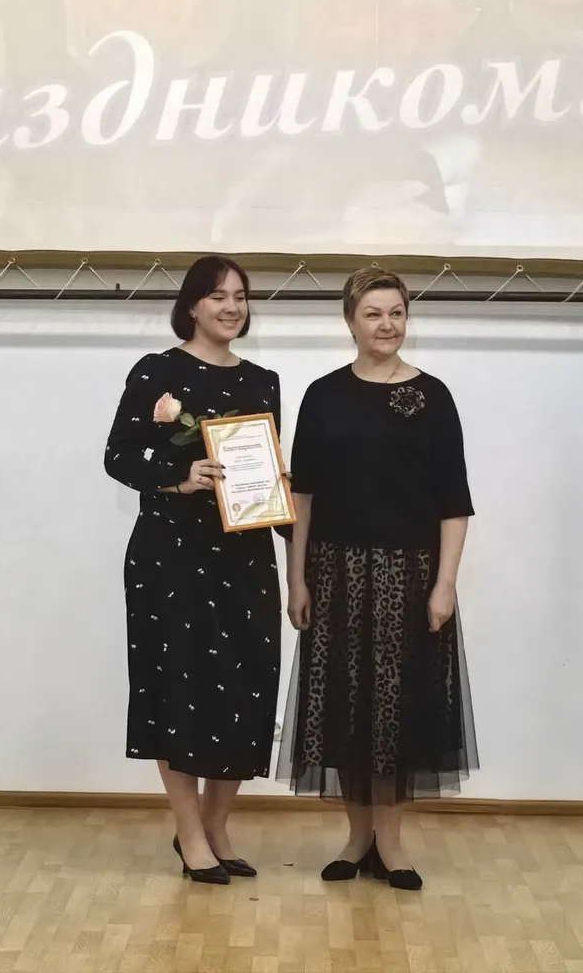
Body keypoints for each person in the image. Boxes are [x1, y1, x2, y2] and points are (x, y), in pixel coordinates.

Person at [277, 267, 478, 891]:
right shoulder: (323, 395)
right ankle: (355, 837)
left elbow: (454, 500)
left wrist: (445, 584)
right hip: (334, 573)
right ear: (350, 321)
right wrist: (297, 580)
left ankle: (391, 844)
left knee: (396, 708)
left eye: (396, 313)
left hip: (410, 576)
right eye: (373, 313)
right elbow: (302, 496)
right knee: (343, 705)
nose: (386, 324)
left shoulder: (434, 396)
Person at [104, 255, 282, 884]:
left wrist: (278, 488)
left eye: (240, 296)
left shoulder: (264, 381)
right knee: (176, 689)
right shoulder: (156, 371)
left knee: (246, 686)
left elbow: (264, 468)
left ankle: (216, 824)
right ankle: (188, 831)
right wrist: (179, 476)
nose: (231, 307)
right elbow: (118, 456)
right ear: (191, 305)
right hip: (170, 556)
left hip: (246, 554)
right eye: (217, 296)